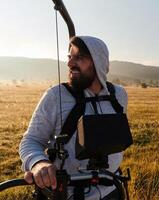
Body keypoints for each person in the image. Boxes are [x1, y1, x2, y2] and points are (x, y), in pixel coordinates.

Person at [19, 36, 128, 199]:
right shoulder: (56, 96)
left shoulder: (119, 95)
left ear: (98, 62)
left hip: (112, 190)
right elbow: (31, 140)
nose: (70, 63)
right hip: (68, 194)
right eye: (70, 57)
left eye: (79, 57)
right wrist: (38, 163)